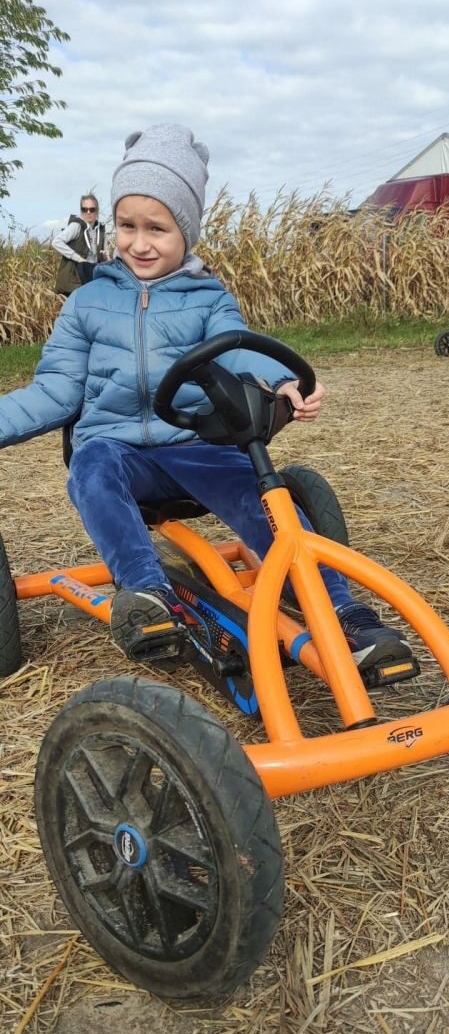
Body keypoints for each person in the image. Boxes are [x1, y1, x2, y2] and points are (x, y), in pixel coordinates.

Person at [0, 123, 412, 671]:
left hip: (194, 443)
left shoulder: (208, 297)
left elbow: (239, 350)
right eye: (127, 226)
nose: (139, 243)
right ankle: (148, 595)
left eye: (158, 228)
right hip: (117, 451)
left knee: (259, 492)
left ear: (186, 232)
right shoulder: (87, 302)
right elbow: (54, 390)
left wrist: (285, 381)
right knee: (92, 466)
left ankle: (344, 614)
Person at [52, 194, 107, 298]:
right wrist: (78, 258)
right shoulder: (76, 226)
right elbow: (56, 242)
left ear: (97, 211)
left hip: (93, 275)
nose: (88, 212)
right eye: (84, 209)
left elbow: (106, 254)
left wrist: (105, 257)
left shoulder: (101, 229)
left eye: (92, 209)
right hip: (76, 277)